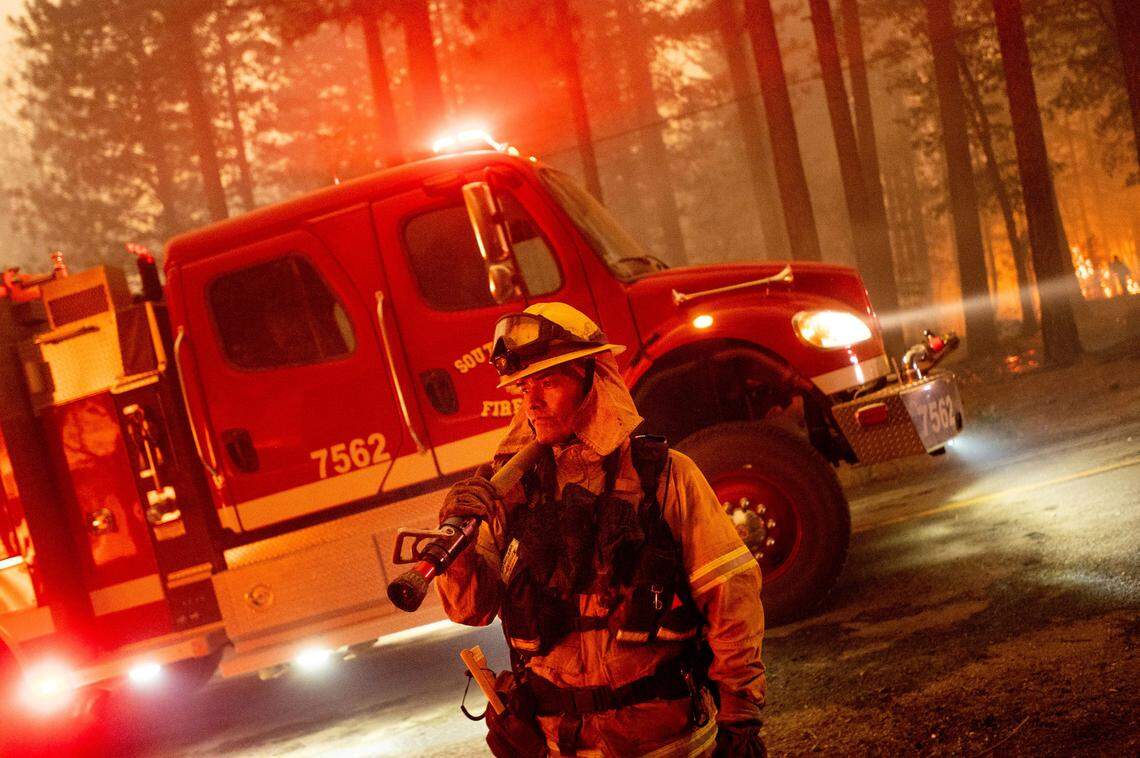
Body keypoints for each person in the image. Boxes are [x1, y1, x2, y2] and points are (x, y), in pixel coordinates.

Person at [436, 302, 767, 757]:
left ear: (594, 381)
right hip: (567, 746)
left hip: (670, 743)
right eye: (523, 387)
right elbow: (470, 611)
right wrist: (460, 553)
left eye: (548, 382)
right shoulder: (510, 491)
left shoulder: (665, 475)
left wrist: (740, 717)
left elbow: (732, 601)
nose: (532, 402)